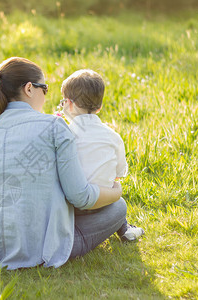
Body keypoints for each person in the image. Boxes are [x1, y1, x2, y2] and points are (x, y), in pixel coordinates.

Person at [0, 57, 128, 270]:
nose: (46, 96)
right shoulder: (54, 127)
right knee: (118, 208)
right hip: (40, 249)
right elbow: (81, 196)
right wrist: (116, 192)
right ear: (29, 89)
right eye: (45, 89)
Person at [60, 69, 144, 242]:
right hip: (102, 203)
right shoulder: (113, 136)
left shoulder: (65, 134)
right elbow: (120, 172)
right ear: (99, 107)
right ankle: (125, 228)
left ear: (68, 104)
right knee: (113, 185)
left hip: (70, 205)